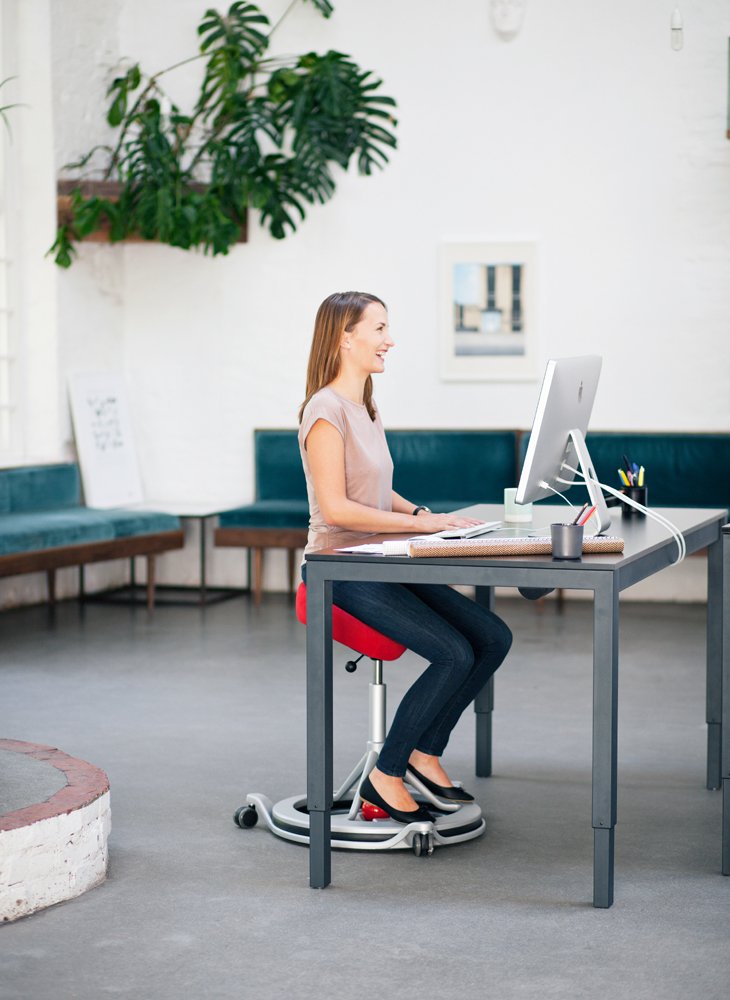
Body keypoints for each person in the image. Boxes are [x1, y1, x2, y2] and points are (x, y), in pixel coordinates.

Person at [297, 290, 513, 824]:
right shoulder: (324, 411)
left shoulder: (365, 406)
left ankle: (423, 753)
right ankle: (386, 773)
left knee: (491, 637)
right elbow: (337, 508)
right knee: (453, 653)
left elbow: (374, 488)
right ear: (344, 336)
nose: (389, 340)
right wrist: (424, 525)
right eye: (379, 329)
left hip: (385, 558)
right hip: (339, 570)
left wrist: (421, 513)